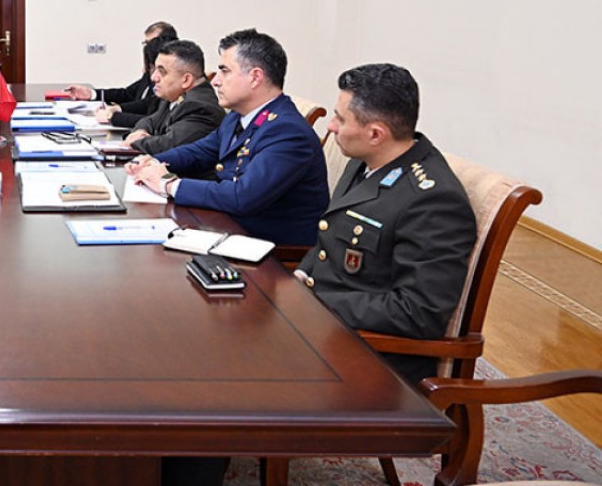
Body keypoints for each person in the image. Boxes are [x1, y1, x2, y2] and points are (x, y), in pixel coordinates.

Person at [295, 64, 476, 383]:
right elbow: (330, 238)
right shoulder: (368, 161)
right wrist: (300, 277)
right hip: (329, 328)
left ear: (376, 134)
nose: (331, 127)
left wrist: (315, 300)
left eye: (340, 119)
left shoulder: (433, 201)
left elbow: (418, 312)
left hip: (373, 361)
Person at [127, 28, 327, 246]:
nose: (215, 81)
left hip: (269, 250)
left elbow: (243, 196)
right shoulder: (238, 116)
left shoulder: (287, 131)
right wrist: (153, 161)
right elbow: (200, 151)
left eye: (225, 71)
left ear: (255, 77)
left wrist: (168, 184)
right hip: (228, 228)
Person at [125, 39, 224, 159]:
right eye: (155, 70)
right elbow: (149, 121)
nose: (154, 77)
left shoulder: (200, 107)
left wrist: (136, 141)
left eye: (162, 72)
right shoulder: (173, 96)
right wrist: (139, 132)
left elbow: (167, 145)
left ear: (186, 80)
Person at [65, 20, 176, 103]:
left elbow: (147, 109)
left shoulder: (169, 79)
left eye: (151, 43)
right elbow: (128, 94)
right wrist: (91, 94)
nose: (147, 48)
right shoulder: (149, 73)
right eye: (145, 43)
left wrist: (115, 113)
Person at [95, 30, 178, 129]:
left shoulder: (189, 103)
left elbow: (157, 123)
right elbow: (148, 102)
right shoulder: (159, 85)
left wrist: (112, 117)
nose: (153, 77)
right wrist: (117, 108)